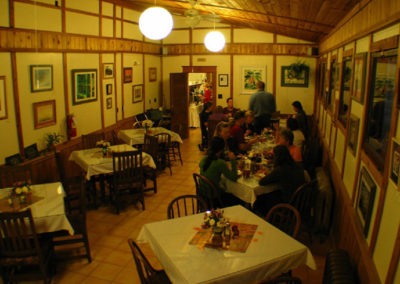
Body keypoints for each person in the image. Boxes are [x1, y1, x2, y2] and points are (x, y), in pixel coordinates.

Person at [252, 145, 306, 217]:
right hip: (300, 200)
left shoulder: (280, 170)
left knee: (260, 198)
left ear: (278, 157)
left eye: (273, 156)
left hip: (288, 201)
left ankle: (267, 218)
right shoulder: (296, 165)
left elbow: (262, 182)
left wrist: (269, 174)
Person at [199, 136, 242, 207]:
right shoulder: (220, 163)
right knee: (236, 197)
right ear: (222, 149)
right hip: (214, 196)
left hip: (202, 193)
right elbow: (233, 178)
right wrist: (233, 160)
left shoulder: (204, 159)